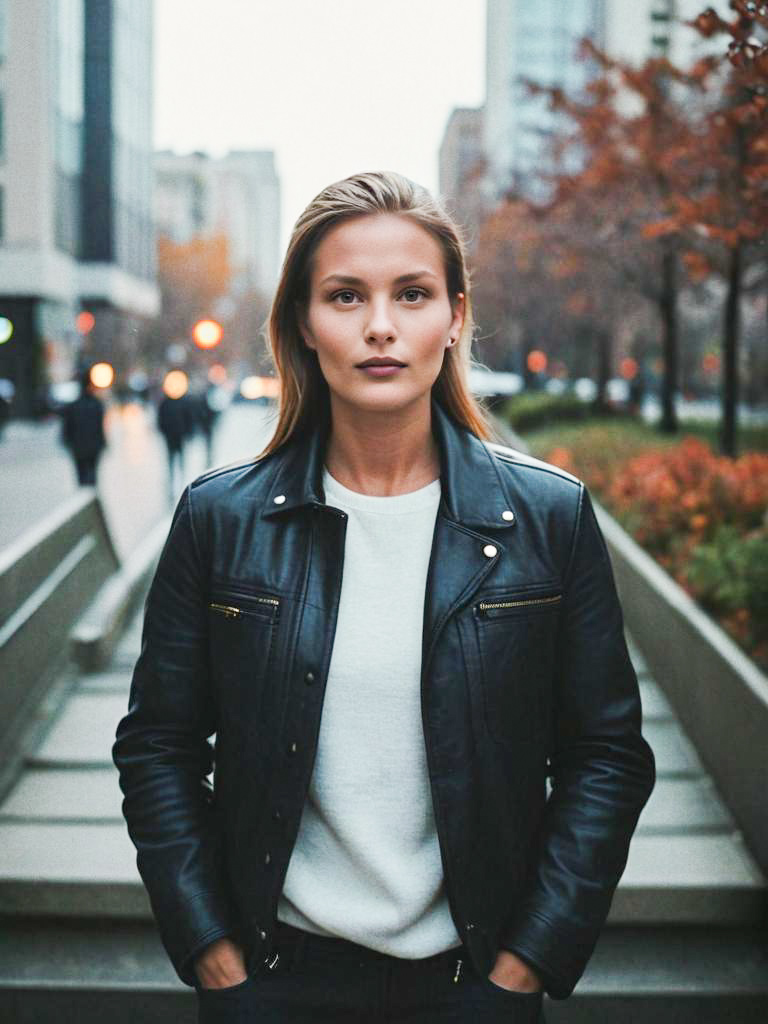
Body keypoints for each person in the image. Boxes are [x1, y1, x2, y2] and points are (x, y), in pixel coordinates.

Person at [113, 171, 656, 1022]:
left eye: (412, 294)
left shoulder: (549, 518)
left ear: (455, 317)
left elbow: (607, 755)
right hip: (273, 977)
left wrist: (525, 964)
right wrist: (214, 956)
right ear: (302, 320)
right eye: (344, 295)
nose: (380, 326)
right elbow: (158, 747)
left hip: (473, 982)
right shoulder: (219, 520)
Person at [60, 369, 106, 485]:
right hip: (91, 447)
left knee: (82, 476)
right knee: (91, 475)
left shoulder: (73, 406)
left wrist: (67, 442)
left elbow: (67, 428)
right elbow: (100, 428)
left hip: (79, 447)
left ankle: (87, 493)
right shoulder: (96, 404)